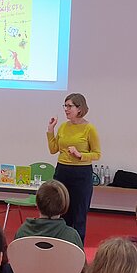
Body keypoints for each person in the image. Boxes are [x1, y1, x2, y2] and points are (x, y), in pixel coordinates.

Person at [47, 93, 101, 243]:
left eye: (69, 106)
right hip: (62, 171)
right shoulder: (63, 126)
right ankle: (59, 244)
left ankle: (76, 248)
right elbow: (53, 149)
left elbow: (97, 154)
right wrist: (51, 130)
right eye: (65, 106)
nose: (66, 109)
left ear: (79, 108)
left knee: (78, 213)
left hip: (81, 174)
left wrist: (80, 155)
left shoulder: (89, 128)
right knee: (60, 210)